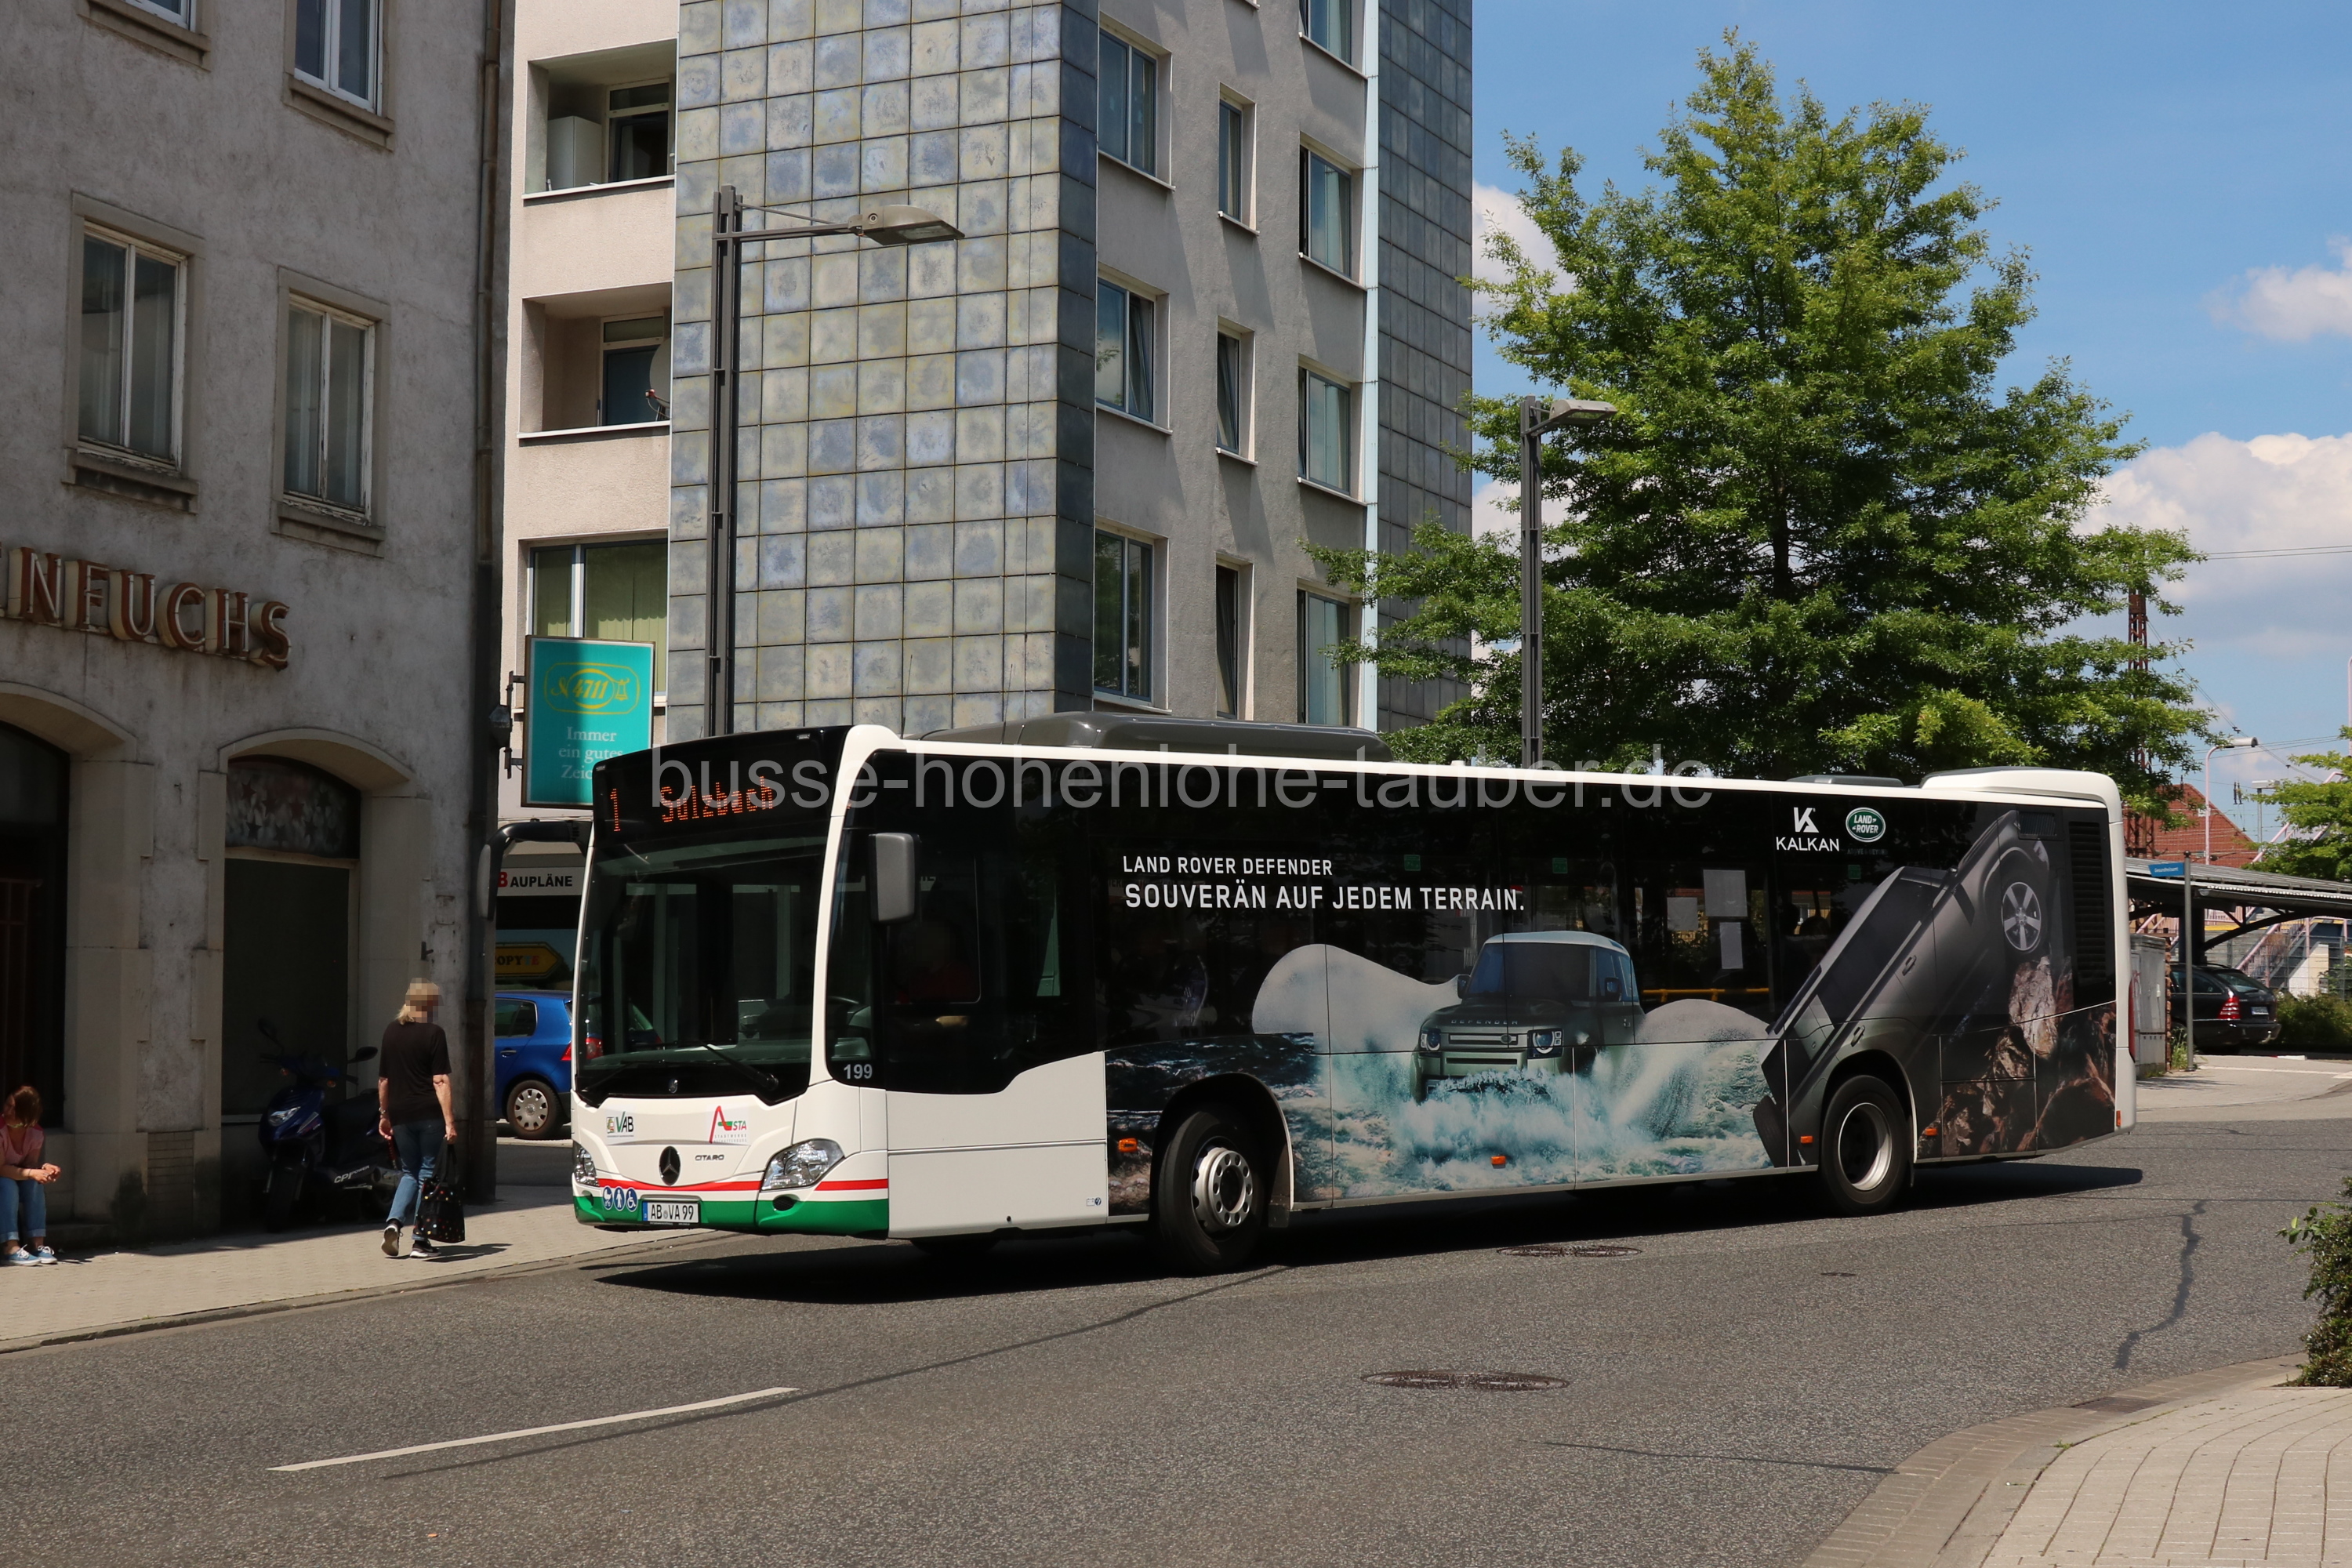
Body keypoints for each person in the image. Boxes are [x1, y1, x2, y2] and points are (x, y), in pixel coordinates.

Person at [377, 980, 456, 1260]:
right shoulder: (434, 1033)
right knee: (426, 1174)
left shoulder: (391, 1031)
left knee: (409, 1173)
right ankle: (420, 1241)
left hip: (400, 1114)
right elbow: (440, 1080)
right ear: (430, 1005)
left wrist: (384, 1115)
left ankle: (393, 1222)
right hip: (428, 1113)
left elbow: (384, 1080)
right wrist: (450, 1121)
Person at [0, 1087, 61, 1265]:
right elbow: (1, 1169)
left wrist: (44, 1169)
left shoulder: (35, 1133)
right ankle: (10, 1247)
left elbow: (29, 1165)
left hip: (15, 1175)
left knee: (34, 1184)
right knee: (7, 1184)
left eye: (15, 1108)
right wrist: (31, 1173)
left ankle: (37, 1245)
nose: (8, 1111)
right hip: (4, 1178)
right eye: (7, 1105)